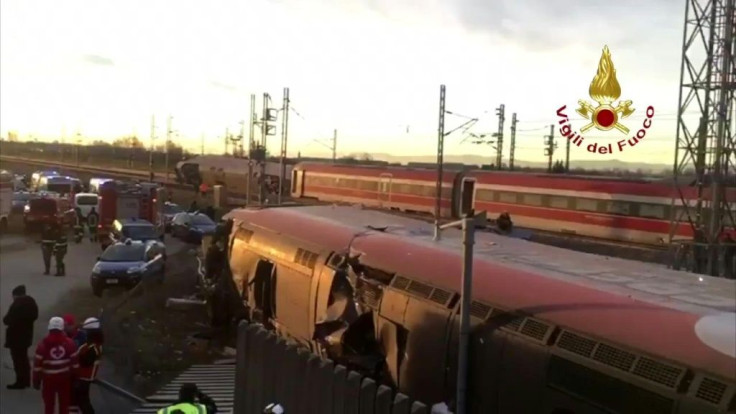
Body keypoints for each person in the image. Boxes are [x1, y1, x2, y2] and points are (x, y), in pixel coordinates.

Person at [33, 317, 79, 414]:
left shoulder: (42, 345)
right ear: (62, 328)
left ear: (49, 328)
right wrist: (75, 378)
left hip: (48, 380)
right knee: (64, 405)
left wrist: (36, 381)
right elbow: (75, 364)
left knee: (49, 405)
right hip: (64, 379)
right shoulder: (70, 343)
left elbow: (37, 366)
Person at [3, 285, 39, 389]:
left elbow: (7, 320)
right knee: (24, 359)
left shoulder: (17, 305)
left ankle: (20, 381)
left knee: (18, 360)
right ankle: (27, 380)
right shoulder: (31, 302)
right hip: (27, 336)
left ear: (16, 295)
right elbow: (34, 316)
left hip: (15, 337)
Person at [73, 317, 103, 414]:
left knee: (83, 403)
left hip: (84, 378)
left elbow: (85, 362)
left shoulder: (93, 347)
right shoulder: (90, 345)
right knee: (81, 402)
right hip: (82, 378)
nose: (84, 333)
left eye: (86, 331)